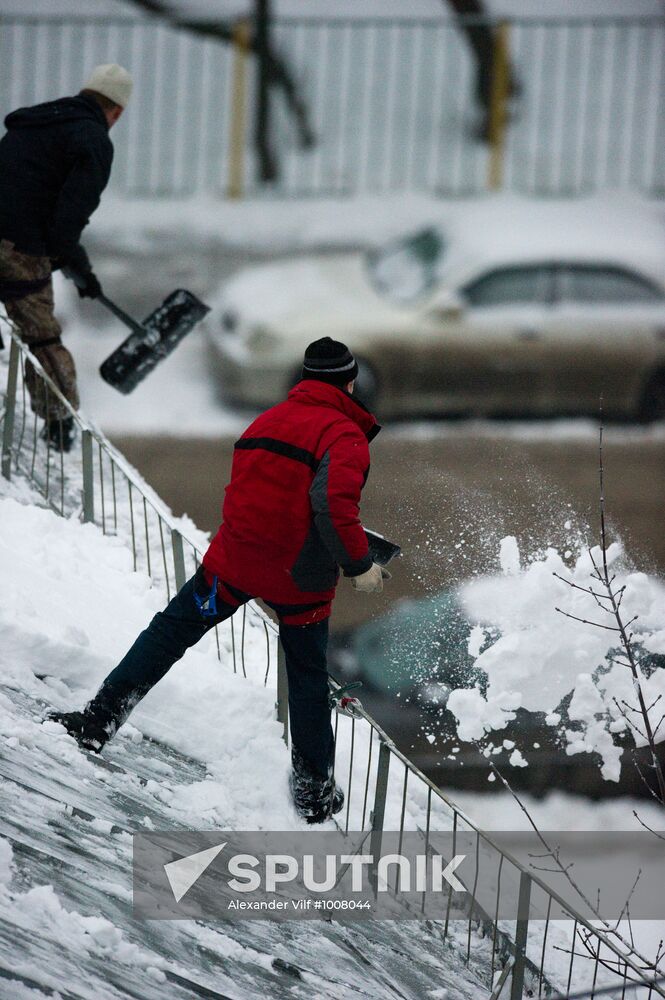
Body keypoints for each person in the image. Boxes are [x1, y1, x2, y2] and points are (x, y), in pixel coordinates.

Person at [51, 338, 390, 824]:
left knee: (168, 632)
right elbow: (332, 506)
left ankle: (96, 721)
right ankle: (313, 792)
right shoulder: (345, 435)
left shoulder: (266, 421)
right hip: (299, 582)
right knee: (307, 678)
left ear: (305, 379)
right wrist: (359, 565)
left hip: (233, 565)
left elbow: (257, 493)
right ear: (349, 383)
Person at [0, 64, 132, 451]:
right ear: (117, 111)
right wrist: (78, 266)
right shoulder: (93, 140)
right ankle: (60, 426)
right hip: (18, 248)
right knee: (41, 337)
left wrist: (73, 261)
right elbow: (68, 220)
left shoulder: (37, 122)